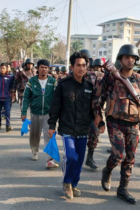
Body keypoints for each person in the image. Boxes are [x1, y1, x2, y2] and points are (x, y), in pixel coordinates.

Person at [93, 44, 140, 204]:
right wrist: (98, 117)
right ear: (121, 59)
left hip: (134, 124)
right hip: (115, 122)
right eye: (127, 57)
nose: (130, 60)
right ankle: (107, 171)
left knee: (130, 157)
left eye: (133, 58)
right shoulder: (110, 77)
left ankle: (123, 188)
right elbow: (98, 98)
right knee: (118, 155)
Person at [48, 51, 94, 200]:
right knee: (71, 156)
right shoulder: (63, 85)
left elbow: (93, 109)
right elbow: (55, 106)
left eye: (83, 65)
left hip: (83, 128)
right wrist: (51, 125)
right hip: (67, 128)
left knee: (80, 159)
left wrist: (99, 124)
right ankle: (67, 183)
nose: (81, 68)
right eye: (78, 65)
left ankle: (74, 183)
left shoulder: (89, 86)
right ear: (72, 67)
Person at [21, 59, 59, 168]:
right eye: (42, 67)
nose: (44, 69)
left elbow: (58, 97)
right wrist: (24, 112)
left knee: (49, 135)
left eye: (46, 67)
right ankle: (34, 151)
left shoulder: (53, 82)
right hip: (35, 113)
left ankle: (49, 160)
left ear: (48, 69)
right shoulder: (31, 82)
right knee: (34, 135)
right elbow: (26, 97)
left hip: (48, 114)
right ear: (38, 69)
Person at [85, 58, 105, 170]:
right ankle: (89, 157)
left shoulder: (85, 74)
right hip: (95, 110)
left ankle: (87, 157)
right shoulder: (104, 76)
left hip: (85, 109)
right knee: (94, 134)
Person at [0, 63, 15, 132]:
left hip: (7, 98)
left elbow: (12, 87)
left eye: (4, 68)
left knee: (7, 112)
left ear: (6, 69)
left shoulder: (10, 78)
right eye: (1, 68)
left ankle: (8, 126)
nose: (2, 69)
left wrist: (13, 95)